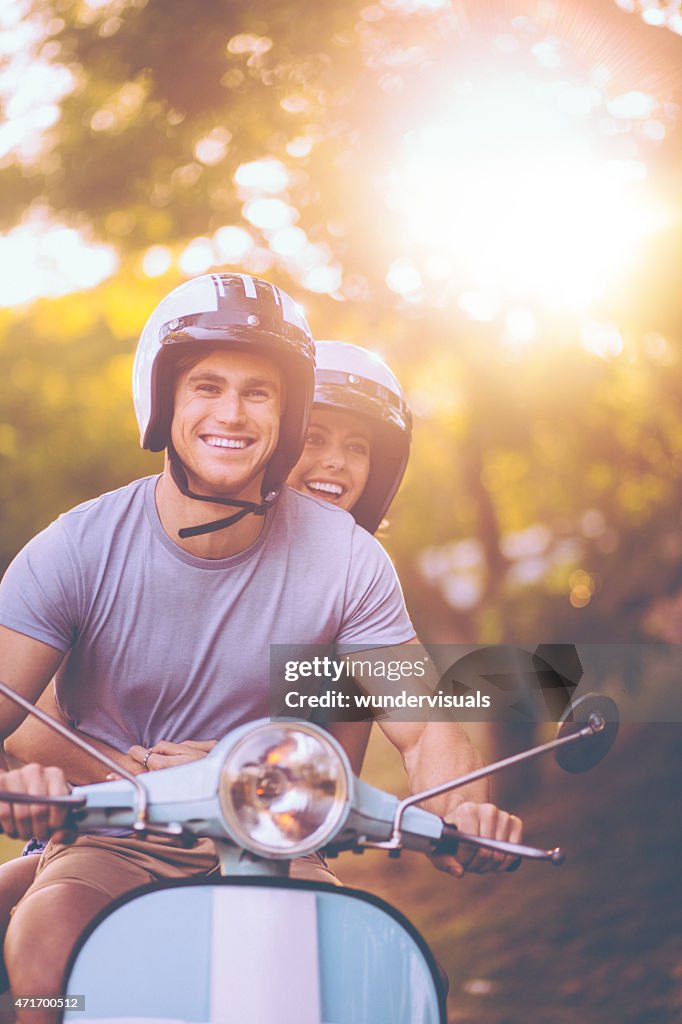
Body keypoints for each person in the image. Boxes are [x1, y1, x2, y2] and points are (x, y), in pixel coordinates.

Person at [0, 273, 521, 1020]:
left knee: (371, 987)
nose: (232, 414)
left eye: (260, 394)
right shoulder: (74, 548)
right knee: (48, 952)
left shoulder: (348, 559)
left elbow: (426, 724)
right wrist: (26, 788)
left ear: (286, 414)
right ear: (163, 401)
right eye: (207, 387)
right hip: (114, 839)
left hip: (273, 844)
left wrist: (462, 810)